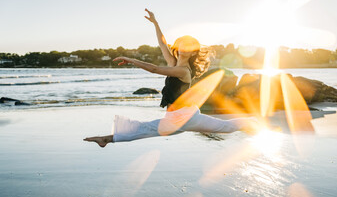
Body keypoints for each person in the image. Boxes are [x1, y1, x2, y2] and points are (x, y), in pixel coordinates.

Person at [84, 9, 258, 147]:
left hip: (185, 116)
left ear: (193, 51)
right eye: (182, 43)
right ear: (179, 46)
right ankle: (106, 139)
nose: (184, 47)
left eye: (189, 46)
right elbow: (162, 43)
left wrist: (131, 60)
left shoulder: (183, 70)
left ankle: (255, 122)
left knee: (224, 127)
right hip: (175, 117)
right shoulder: (174, 62)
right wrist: (155, 23)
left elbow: (154, 69)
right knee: (144, 130)